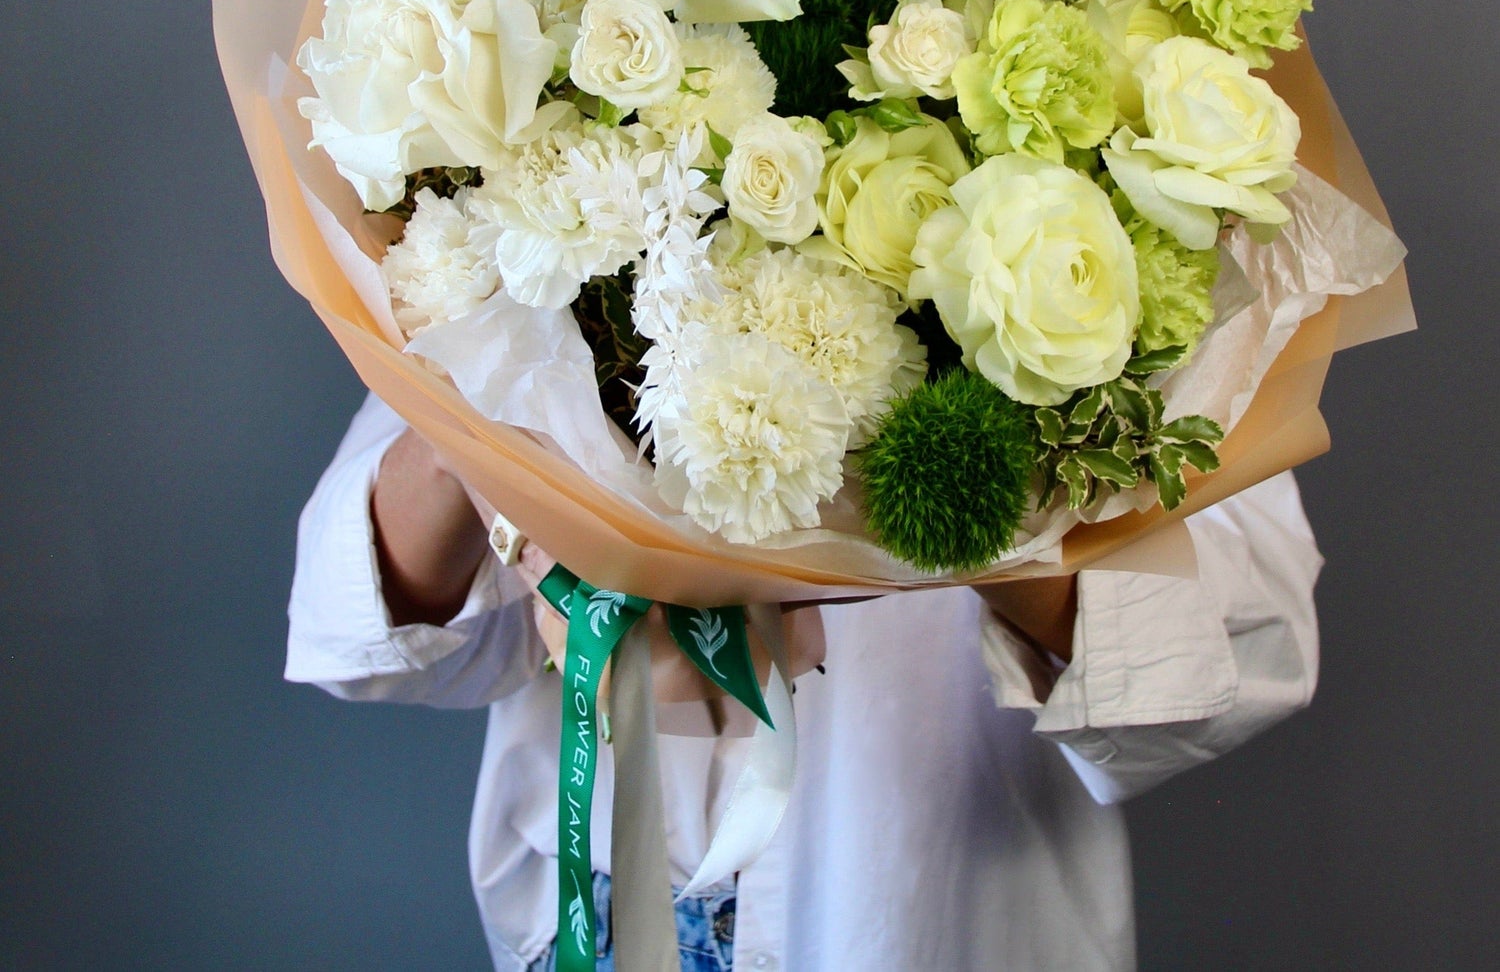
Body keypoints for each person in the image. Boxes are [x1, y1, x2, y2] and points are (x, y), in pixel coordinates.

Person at [287, 392, 1323, 972]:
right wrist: (483, 405)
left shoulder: (1093, 156)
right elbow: (360, 625)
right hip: (604, 902)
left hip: (922, 915)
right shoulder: (563, 112)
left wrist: (969, 482)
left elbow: (1246, 646)